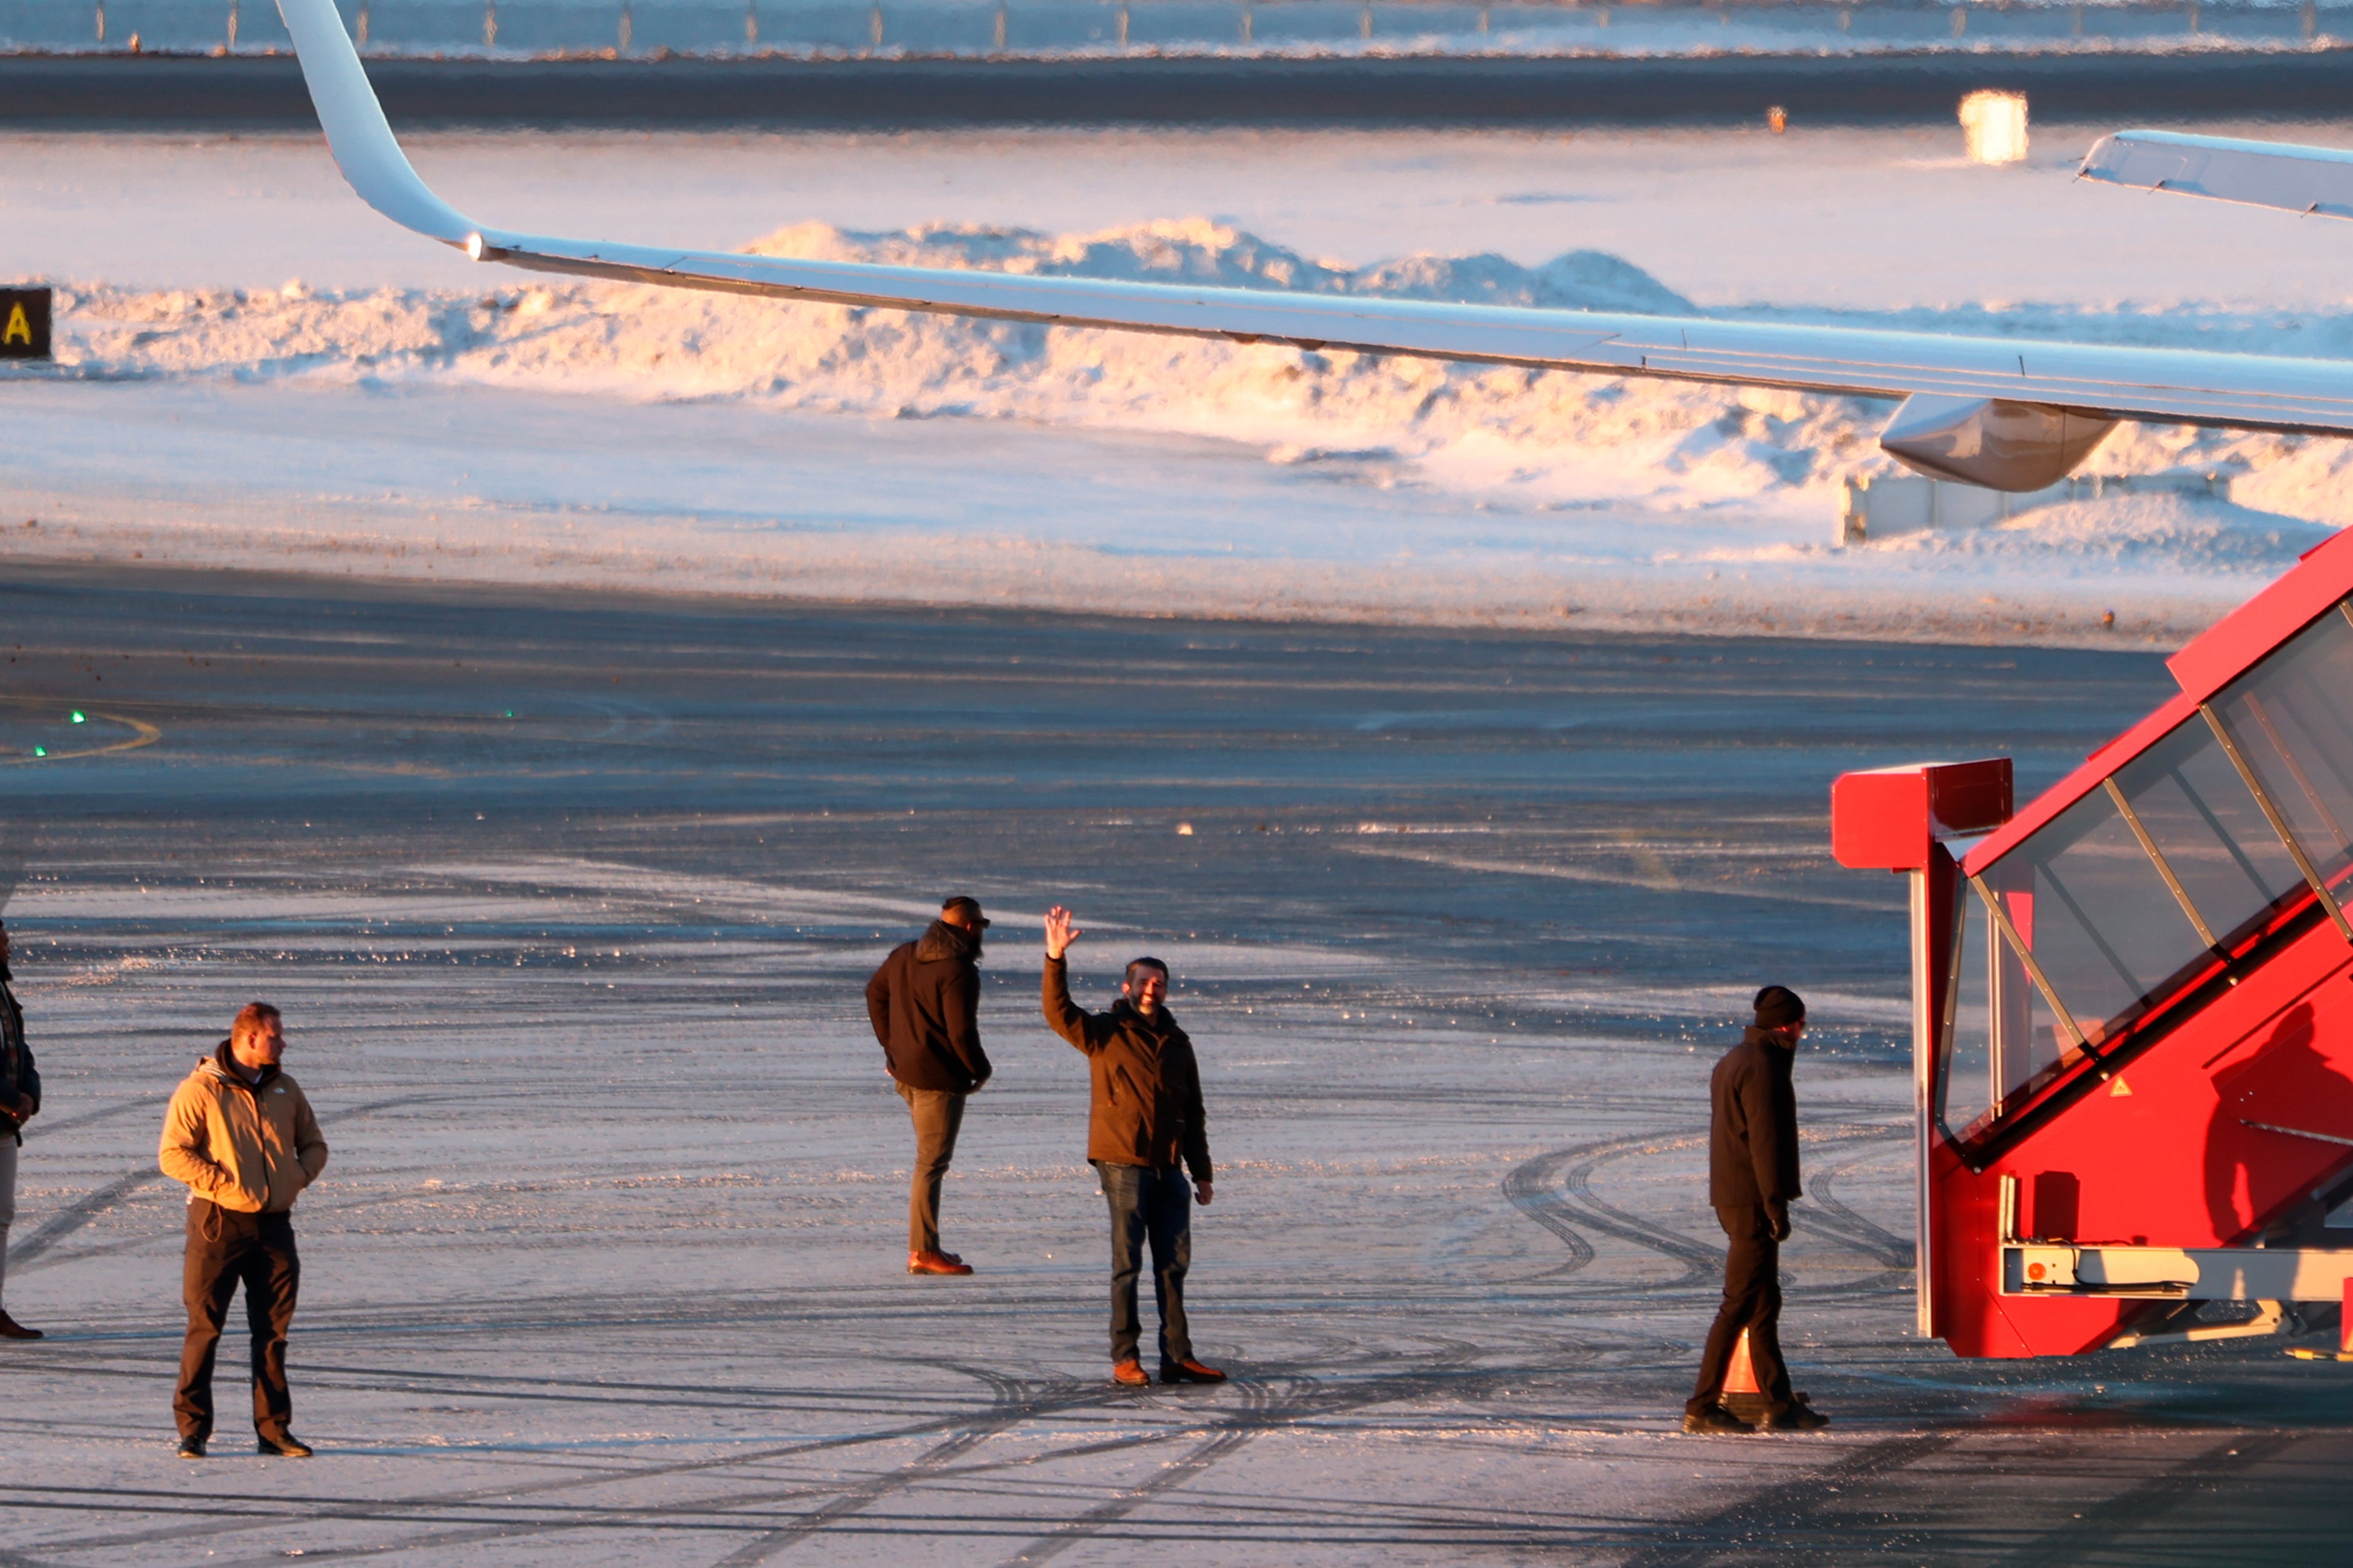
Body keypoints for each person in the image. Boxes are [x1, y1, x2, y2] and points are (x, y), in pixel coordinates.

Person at [1042, 905, 1224, 1388]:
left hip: (1170, 1169)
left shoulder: (1179, 1042)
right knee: (1128, 1264)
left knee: (1173, 1267)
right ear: (1128, 987)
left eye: (1159, 983)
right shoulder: (1105, 1033)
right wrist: (1055, 958)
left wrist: (1201, 1171)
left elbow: (1194, 1112)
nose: (1151, 989)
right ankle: (1125, 1357)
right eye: (1144, 982)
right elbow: (1058, 1013)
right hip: (1122, 1161)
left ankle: (1178, 1357)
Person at [159, 1002, 328, 1459]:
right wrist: (224, 1184)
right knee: (205, 1326)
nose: (284, 1042)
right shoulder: (202, 1090)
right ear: (249, 1038)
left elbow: (314, 1143)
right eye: (276, 1035)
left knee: (273, 1330)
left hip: (274, 1225)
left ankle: (274, 1430)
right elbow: (173, 1154)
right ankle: (193, 1430)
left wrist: (295, 1177)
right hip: (218, 1222)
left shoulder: (285, 1089)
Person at [1686, 984, 1827, 1434]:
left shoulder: (1736, 1059)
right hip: (1750, 1200)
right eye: (1803, 1024)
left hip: (1735, 1195)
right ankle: (1702, 1406)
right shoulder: (1764, 1067)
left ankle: (1778, 1402)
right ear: (1788, 1025)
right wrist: (1774, 1204)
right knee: (1739, 1303)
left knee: (1765, 1303)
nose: (1804, 1033)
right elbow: (1764, 1142)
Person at [867, 896, 994, 1276]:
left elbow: (875, 995)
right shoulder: (958, 970)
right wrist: (980, 1069)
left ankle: (929, 1245)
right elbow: (961, 1031)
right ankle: (922, 1252)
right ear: (971, 929)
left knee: (929, 1161)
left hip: (908, 1073)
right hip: (938, 1081)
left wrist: (893, 1049)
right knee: (930, 1164)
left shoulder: (906, 954)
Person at [0, 918, 42, 1340]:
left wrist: (29, 1094)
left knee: (2, 1216)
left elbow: (21, 1050)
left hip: (4, 1126)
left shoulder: (3, 993)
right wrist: (14, 1100)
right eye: (4, 942)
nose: (9, 948)